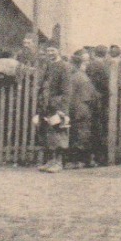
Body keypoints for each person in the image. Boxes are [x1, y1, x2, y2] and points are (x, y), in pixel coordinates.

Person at [36, 44, 72, 173]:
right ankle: (50, 161)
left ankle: (58, 162)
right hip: (46, 105)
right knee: (47, 134)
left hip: (57, 106)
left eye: (53, 50)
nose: (50, 53)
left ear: (59, 51)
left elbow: (66, 90)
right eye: (48, 50)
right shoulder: (48, 65)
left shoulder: (64, 66)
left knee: (58, 134)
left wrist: (62, 109)